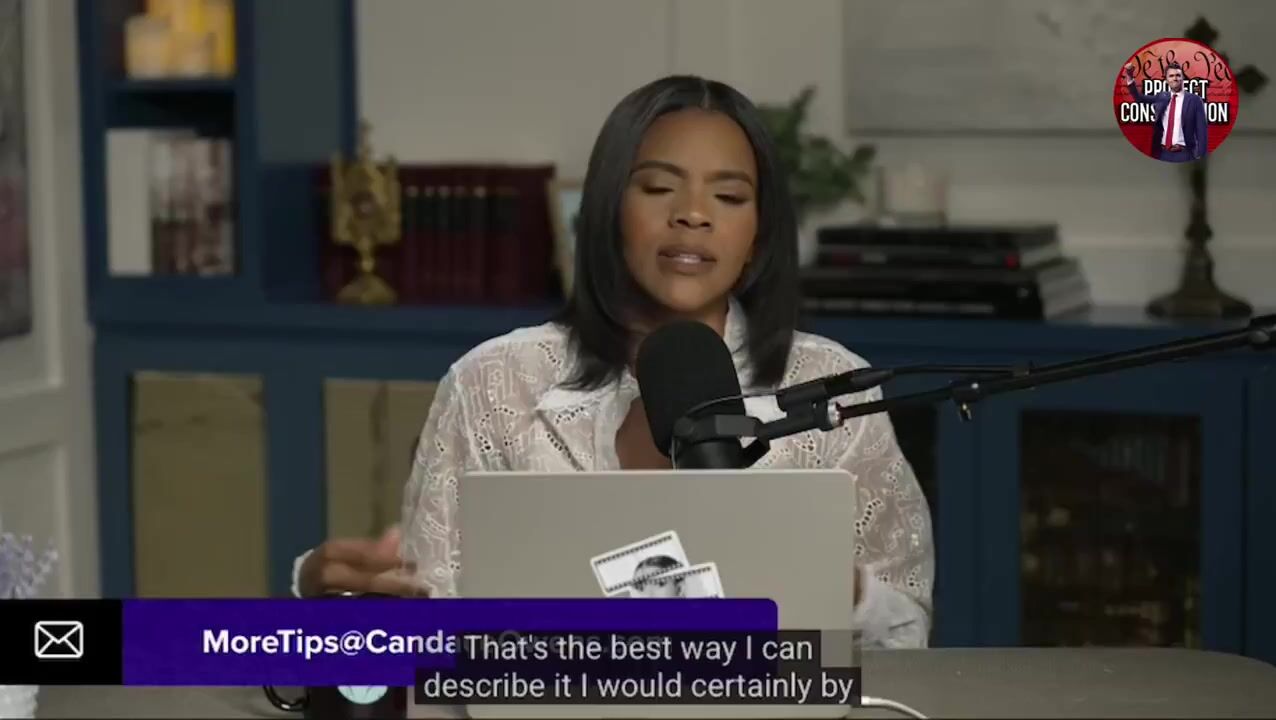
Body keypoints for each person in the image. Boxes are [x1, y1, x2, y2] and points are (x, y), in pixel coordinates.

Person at [294, 74, 935, 649]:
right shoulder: (491, 383)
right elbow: (428, 613)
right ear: (607, 210)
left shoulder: (832, 390)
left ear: (758, 234)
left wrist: (843, 591)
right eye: (659, 187)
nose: (692, 215)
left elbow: (907, 630)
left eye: (729, 196)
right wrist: (335, 599)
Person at [1123, 61, 1208, 163]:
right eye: (1171, 76)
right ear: (1167, 80)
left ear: (1183, 78)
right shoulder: (1162, 97)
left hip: (1184, 154)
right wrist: (1129, 76)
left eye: (1178, 75)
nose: (1175, 78)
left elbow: (1201, 133)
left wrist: (1201, 158)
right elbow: (1139, 98)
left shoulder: (1195, 100)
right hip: (1162, 154)